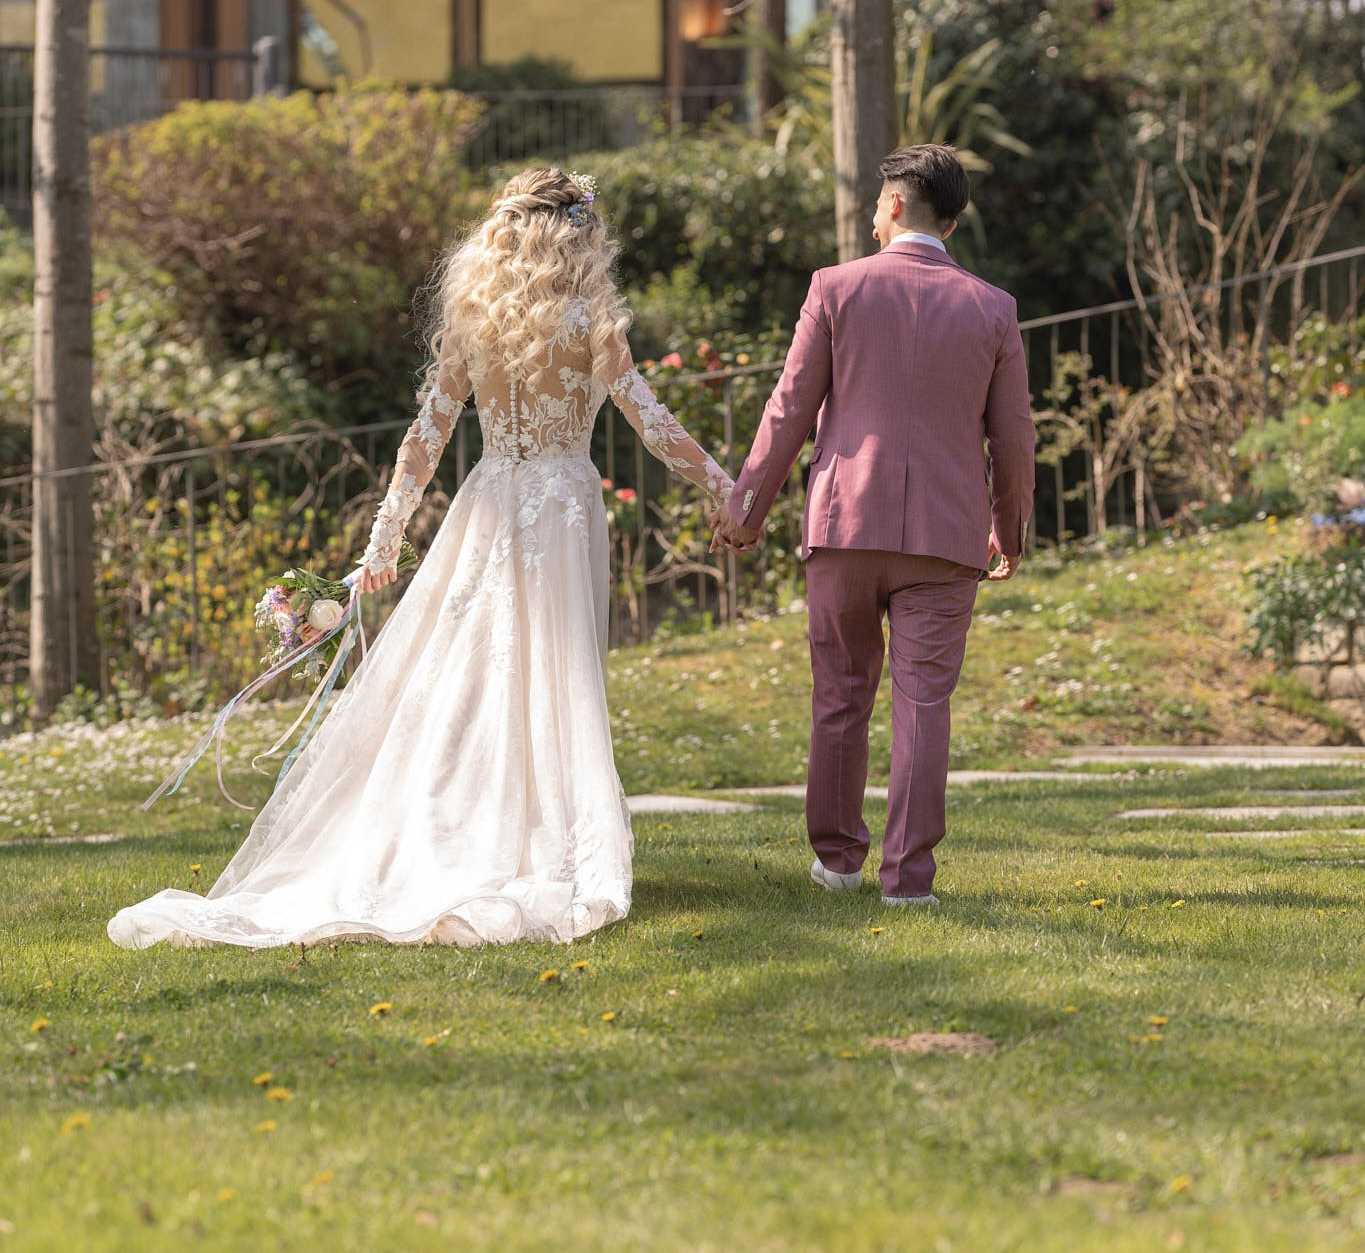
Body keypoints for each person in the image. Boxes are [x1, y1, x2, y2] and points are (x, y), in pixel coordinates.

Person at [108, 168, 733, 951]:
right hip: (560, 506)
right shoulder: (590, 321)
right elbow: (648, 417)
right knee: (545, 674)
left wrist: (385, 536)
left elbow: (425, 437)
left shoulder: (479, 319)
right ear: (576, 236)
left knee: (470, 675)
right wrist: (722, 484)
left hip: (488, 499)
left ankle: (464, 826)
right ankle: (522, 842)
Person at [711, 144, 1034, 907]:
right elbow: (1014, 437)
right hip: (946, 537)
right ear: (952, 221)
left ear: (892, 206)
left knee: (839, 695)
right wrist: (1009, 531)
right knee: (923, 705)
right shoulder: (993, 307)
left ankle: (835, 863)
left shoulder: (834, 288)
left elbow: (788, 408)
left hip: (842, 525)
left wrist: (746, 511)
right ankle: (907, 882)